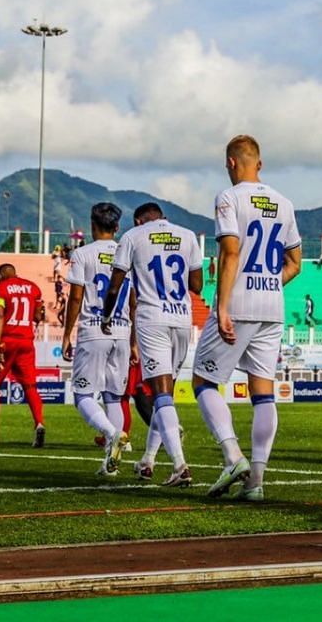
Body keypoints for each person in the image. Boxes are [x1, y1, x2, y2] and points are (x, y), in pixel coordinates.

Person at [194, 135, 303, 501]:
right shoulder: (284, 203)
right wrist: (271, 283)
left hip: (238, 303)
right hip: (271, 306)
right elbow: (295, 263)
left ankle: (231, 456)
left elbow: (230, 251)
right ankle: (256, 482)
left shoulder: (229, 198)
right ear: (260, 163)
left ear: (230, 163)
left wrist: (222, 305)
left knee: (203, 382)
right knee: (263, 392)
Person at [102, 202, 201, 488]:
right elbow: (196, 285)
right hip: (182, 319)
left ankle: (180, 465)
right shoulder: (188, 235)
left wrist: (107, 315)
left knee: (161, 394)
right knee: (164, 393)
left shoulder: (133, 237)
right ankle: (148, 459)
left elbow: (115, 285)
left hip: (152, 318)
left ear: (137, 219)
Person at [63, 202, 133, 473]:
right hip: (123, 331)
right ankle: (111, 463)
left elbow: (76, 296)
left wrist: (67, 334)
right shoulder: (127, 253)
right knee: (113, 396)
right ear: (117, 227)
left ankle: (110, 432)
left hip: (94, 329)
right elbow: (135, 300)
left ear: (92, 226)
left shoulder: (83, 254)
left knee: (82, 395)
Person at [0, 262, 46, 449]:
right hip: (27, 341)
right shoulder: (34, 288)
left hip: (7, 340)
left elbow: (0, 315)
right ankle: (39, 422)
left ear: (0, 276)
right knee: (30, 386)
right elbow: (37, 317)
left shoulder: (1, 289)